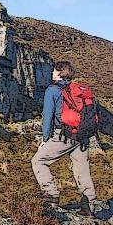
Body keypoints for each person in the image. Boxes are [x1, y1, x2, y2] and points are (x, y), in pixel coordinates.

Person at [31, 60, 99, 214]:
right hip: (82, 136)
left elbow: (47, 116)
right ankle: (89, 204)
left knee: (38, 161)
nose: (52, 72)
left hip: (64, 135)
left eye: (54, 70)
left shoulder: (53, 90)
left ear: (59, 73)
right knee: (82, 169)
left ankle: (51, 195)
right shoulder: (76, 90)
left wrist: (45, 139)